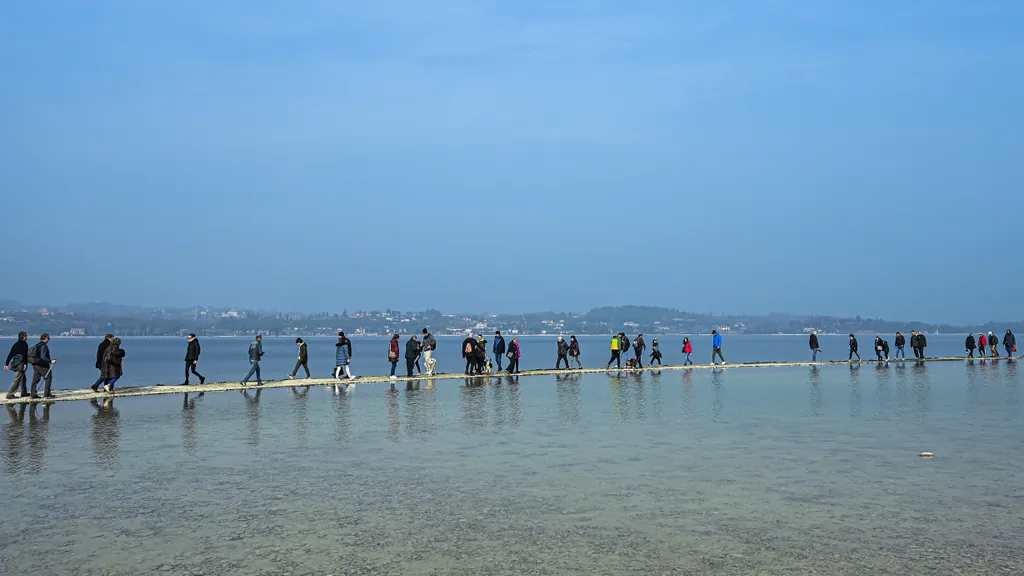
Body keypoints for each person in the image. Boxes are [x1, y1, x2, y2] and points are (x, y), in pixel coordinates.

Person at [29, 333, 56, 399]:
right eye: (48, 338)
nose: (49, 339)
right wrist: (50, 361)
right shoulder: (44, 346)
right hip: (42, 365)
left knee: (35, 379)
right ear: (45, 339)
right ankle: (47, 394)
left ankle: (33, 394)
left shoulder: (37, 345)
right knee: (48, 378)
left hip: (35, 365)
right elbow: (43, 356)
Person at [4, 331, 29, 399]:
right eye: (26, 336)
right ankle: (10, 394)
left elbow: (10, 354)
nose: (27, 337)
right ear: (23, 337)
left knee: (23, 378)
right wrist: (25, 364)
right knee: (17, 379)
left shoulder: (15, 344)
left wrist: (6, 364)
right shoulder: (24, 344)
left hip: (15, 362)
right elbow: (25, 355)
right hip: (21, 363)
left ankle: (24, 392)